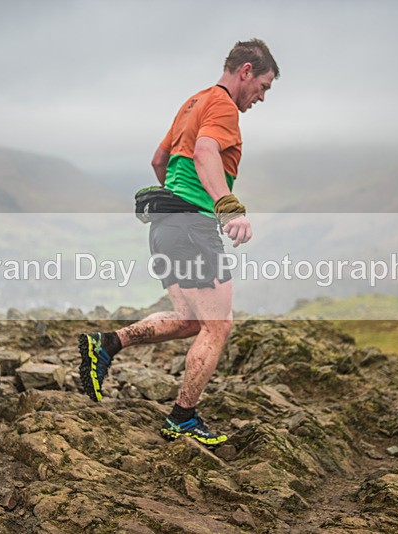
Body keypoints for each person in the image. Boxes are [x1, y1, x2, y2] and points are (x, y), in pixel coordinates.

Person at [79, 39, 279, 448]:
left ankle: (108, 343)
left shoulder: (193, 102)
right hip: (192, 227)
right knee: (219, 325)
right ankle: (182, 418)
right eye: (263, 87)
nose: (261, 97)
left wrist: (177, 202)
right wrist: (227, 206)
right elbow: (205, 152)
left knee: (191, 320)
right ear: (246, 71)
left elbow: (159, 160)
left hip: (165, 226)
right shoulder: (223, 105)